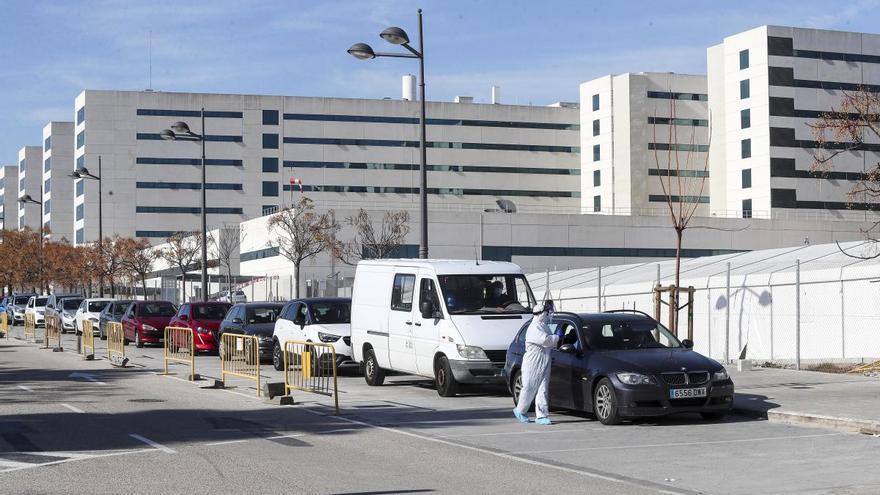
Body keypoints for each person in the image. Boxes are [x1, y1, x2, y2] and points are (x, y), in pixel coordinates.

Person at [513, 299, 560, 425]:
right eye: (546, 313)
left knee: (543, 389)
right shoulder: (534, 327)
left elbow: (550, 342)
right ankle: (520, 410)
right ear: (540, 314)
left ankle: (541, 415)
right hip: (532, 363)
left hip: (544, 361)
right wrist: (557, 337)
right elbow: (546, 341)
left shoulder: (544, 325)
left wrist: (556, 337)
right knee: (529, 387)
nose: (547, 315)